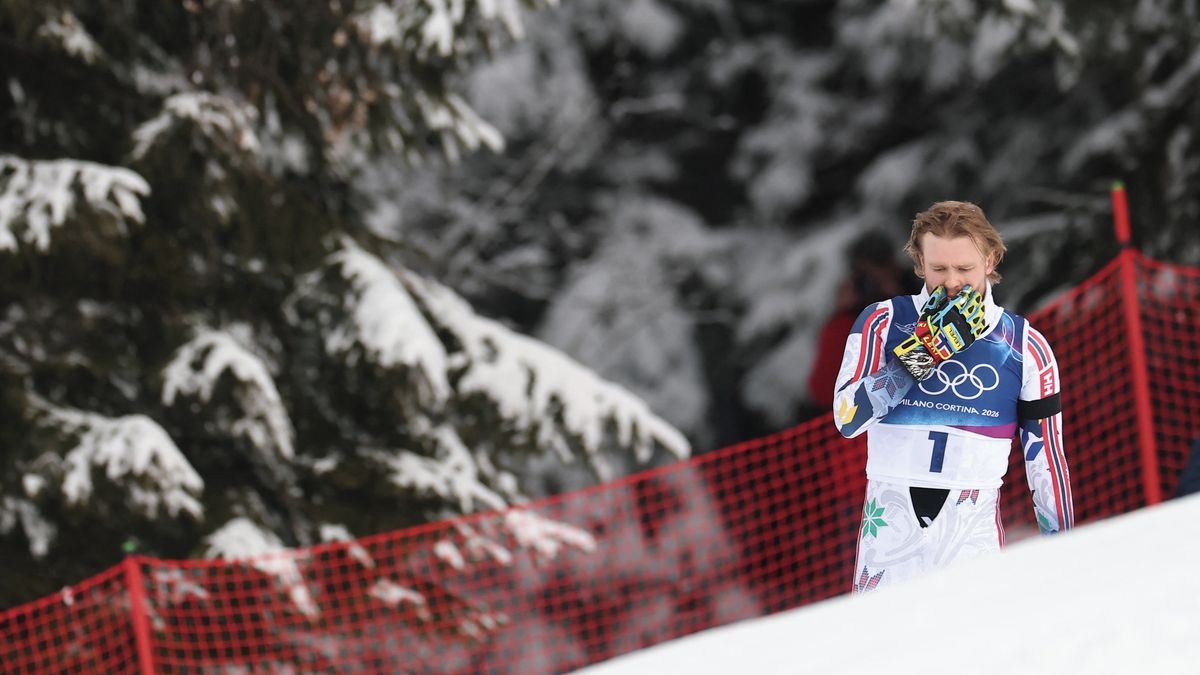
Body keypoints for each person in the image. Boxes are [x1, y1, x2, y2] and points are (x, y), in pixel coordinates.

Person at [832, 201, 1073, 593]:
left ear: (991, 258)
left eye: (964, 269)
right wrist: (919, 355)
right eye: (939, 269)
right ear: (919, 262)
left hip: (970, 532)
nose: (952, 283)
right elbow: (847, 419)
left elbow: (1047, 460)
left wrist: (1063, 552)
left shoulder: (1024, 346)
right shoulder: (884, 321)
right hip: (889, 533)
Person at [807, 231, 916, 411]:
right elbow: (823, 391)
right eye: (866, 277)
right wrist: (844, 314)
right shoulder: (847, 322)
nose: (874, 284)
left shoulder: (917, 297)